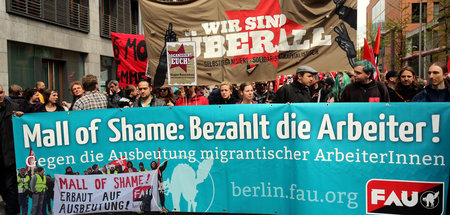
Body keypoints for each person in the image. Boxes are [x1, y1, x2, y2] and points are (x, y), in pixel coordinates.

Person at [0, 84, 22, 215]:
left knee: (11, 187)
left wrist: (22, 117)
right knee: (3, 187)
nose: (0, 95)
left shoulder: (14, 108)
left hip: (10, 156)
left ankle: (11, 211)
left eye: (1, 92)